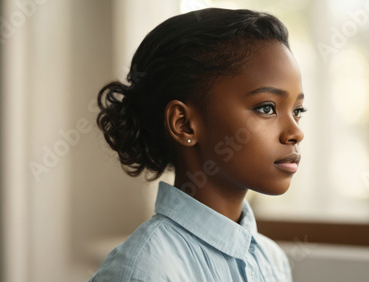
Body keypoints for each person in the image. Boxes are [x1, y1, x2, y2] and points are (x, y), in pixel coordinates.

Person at [89, 7, 305, 282]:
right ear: (184, 124)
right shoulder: (145, 269)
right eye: (266, 108)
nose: (295, 132)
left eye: (298, 111)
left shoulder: (272, 260)